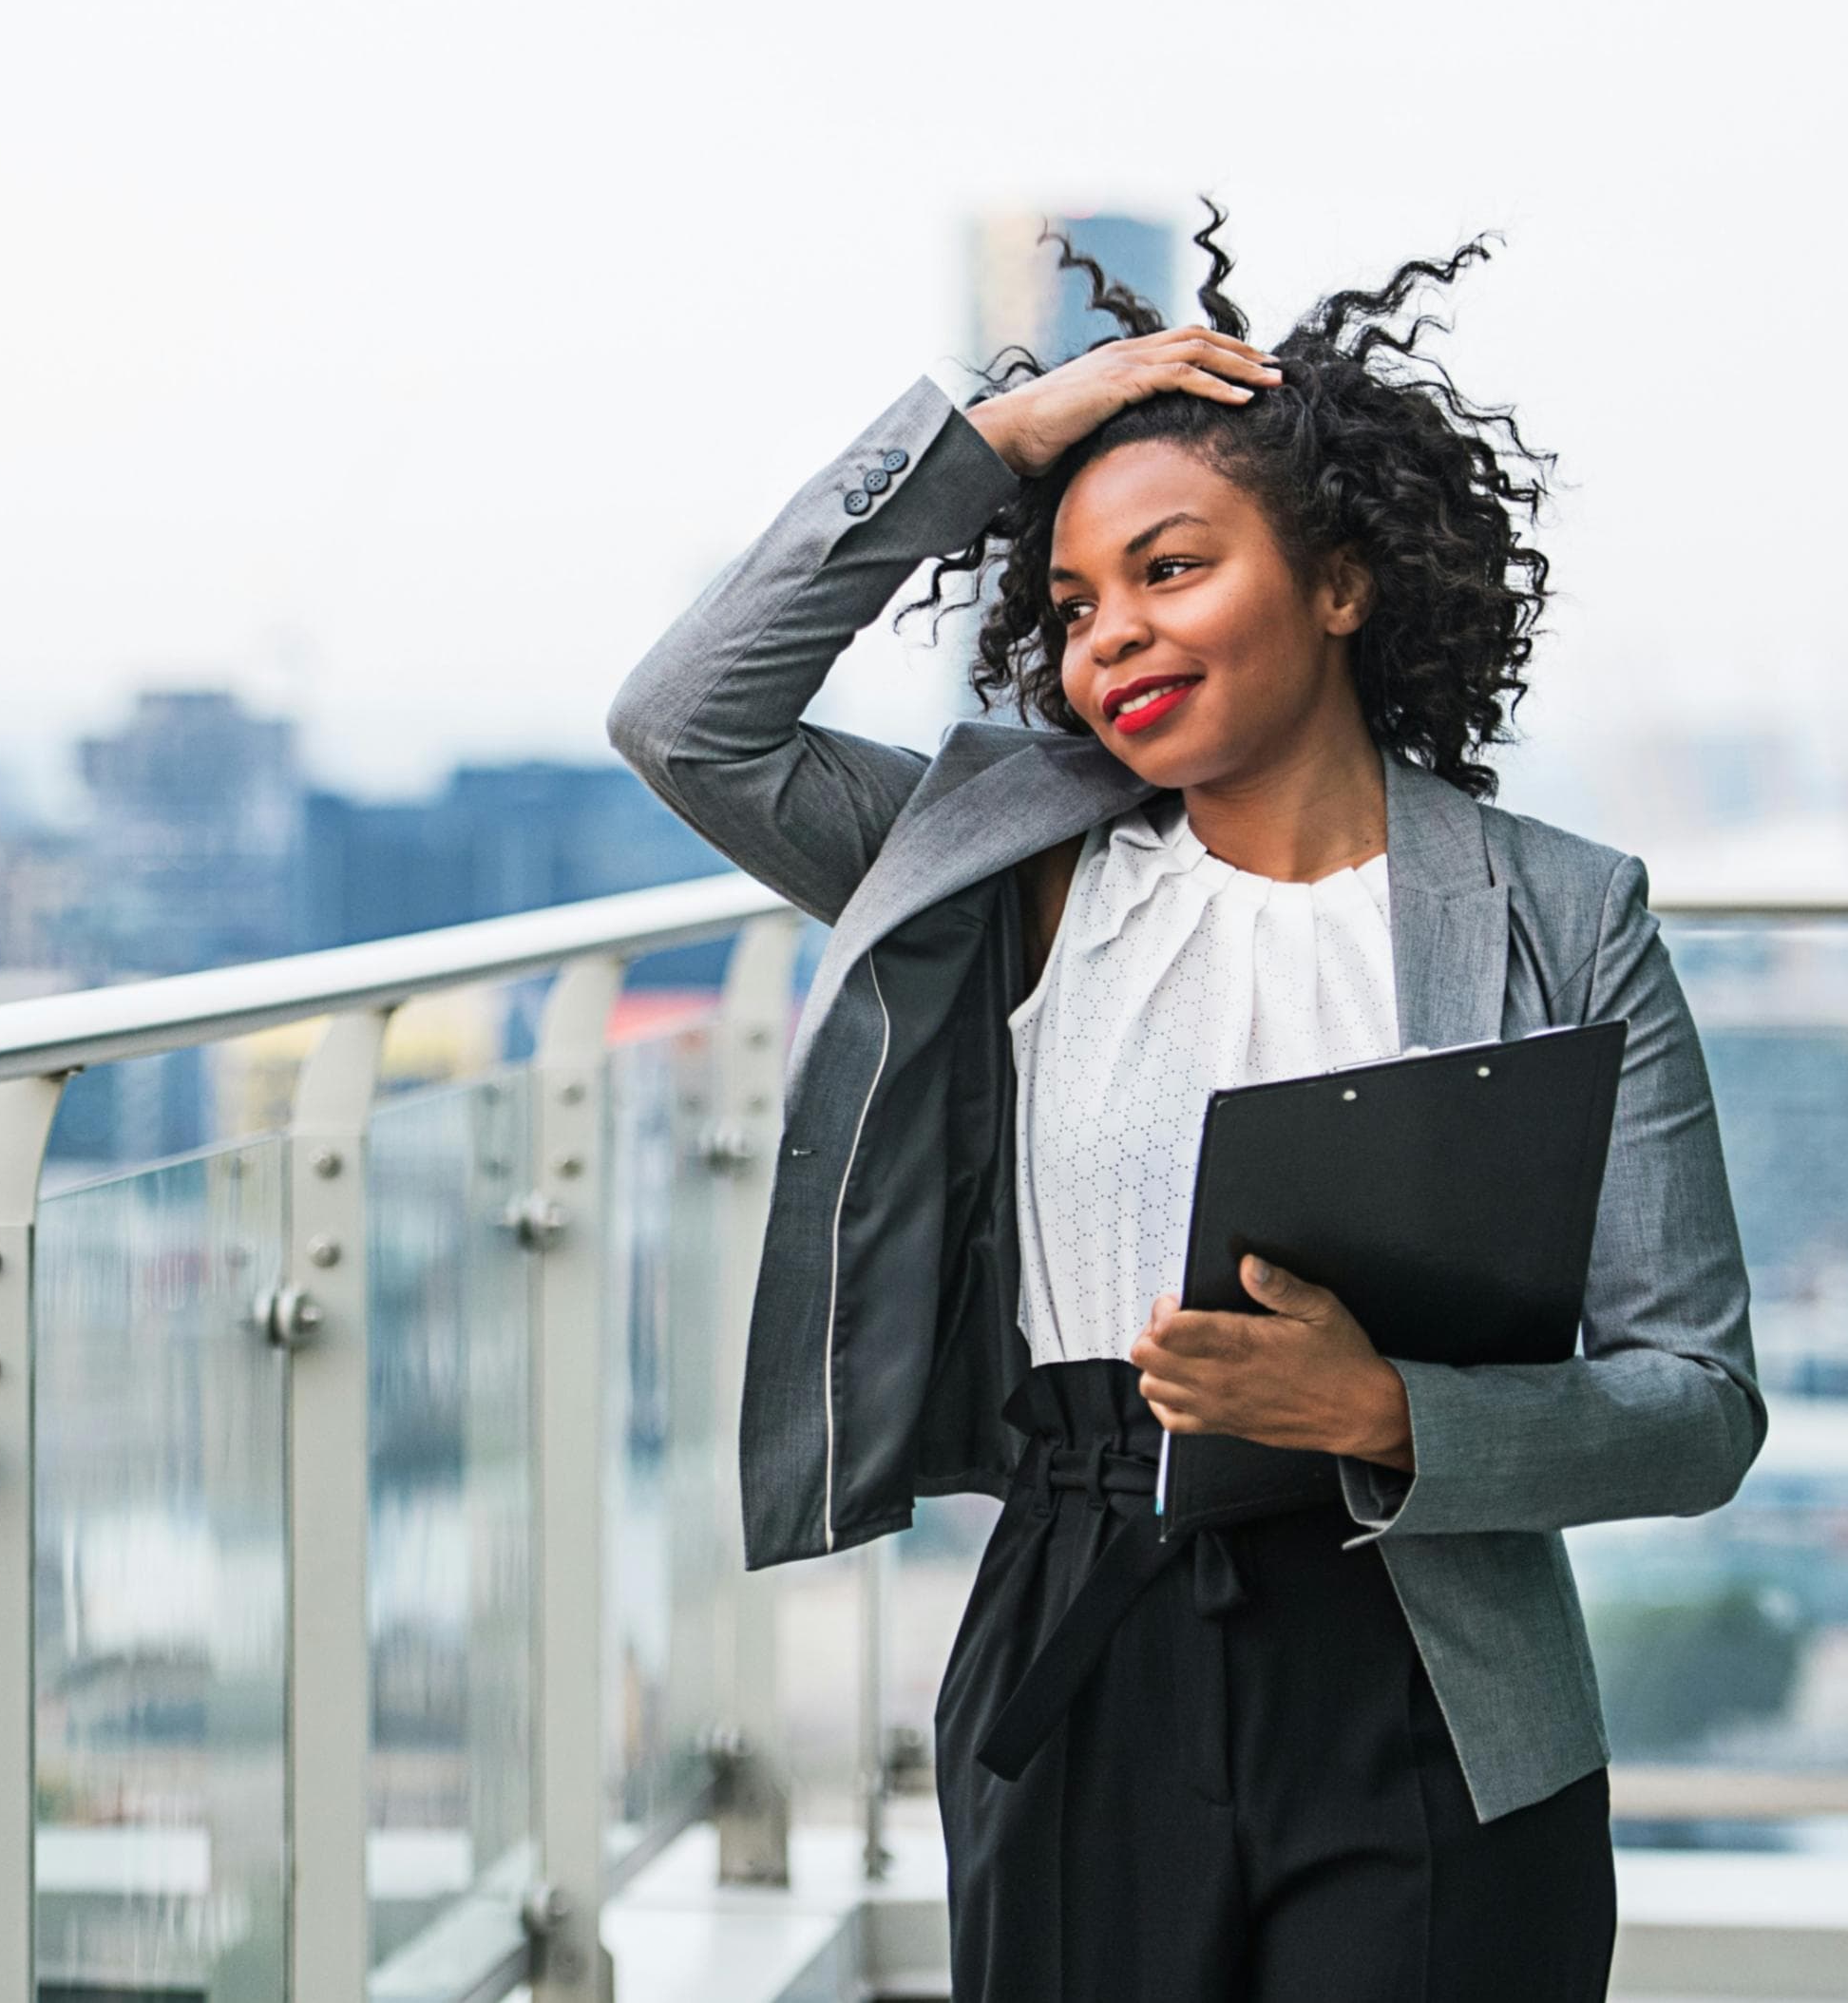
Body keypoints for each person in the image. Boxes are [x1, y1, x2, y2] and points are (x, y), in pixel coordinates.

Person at [605, 209, 1761, 2003]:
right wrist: (999, 436)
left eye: (1170, 568)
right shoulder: (1010, 871)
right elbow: (690, 721)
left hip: (1430, 1672)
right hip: (1084, 1636)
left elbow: (1697, 1402)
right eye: (1071, 605)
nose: (1108, 640)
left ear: (1341, 582)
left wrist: (1387, 1410)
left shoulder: (1560, 910)